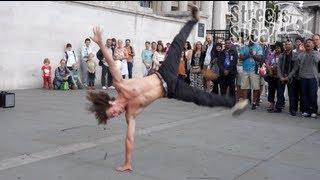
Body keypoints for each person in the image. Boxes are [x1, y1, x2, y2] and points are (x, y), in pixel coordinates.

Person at [87, 7, 248, 172]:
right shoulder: (131, 113)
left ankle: (193, 19)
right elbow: (129, 138)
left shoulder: (121, 85)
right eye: (112, 117)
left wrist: (100, 43)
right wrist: (127, 163)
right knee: (200, 98)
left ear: (110, 102)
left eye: (111, 112)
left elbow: (112, 63)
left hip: (164, 72)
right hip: (171, 89)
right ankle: (233, 103)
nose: (115, 115)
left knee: (178, 42)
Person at [290, 39, 320, 118]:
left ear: (313, 45)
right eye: (306, 43)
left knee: (312, 95)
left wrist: (311, 52)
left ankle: (313, 110)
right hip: (303, 77)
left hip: (312, 77)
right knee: (304, 95)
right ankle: (306, 110)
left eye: (309, 43)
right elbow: (295, 60)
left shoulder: (316, 53)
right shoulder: (302, 54)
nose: (307, 44)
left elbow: (317, 60)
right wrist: (299, 51)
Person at [239, 35, 263, 110]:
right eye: (249, 39)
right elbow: (241, 57)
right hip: (245, 69)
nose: (250, 41)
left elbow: (260, 58)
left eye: (252, 39)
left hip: (254, 70)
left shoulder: (258, 47)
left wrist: (253, 55)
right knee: (245, 87)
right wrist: (248, 55)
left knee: (255, 87)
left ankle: (254, 103)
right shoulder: (244, 47)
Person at [265, 42, 283, 113]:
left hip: (280, 77)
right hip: (272, 76)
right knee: (271, 91)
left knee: (280, 92)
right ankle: (271, 104)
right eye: (276, 48)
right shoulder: (271, 56)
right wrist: (270, 68)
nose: (277, 49)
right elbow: (267, 63)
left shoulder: (283, 56)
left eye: (278, 48)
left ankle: (279, 106)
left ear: (281, 48)